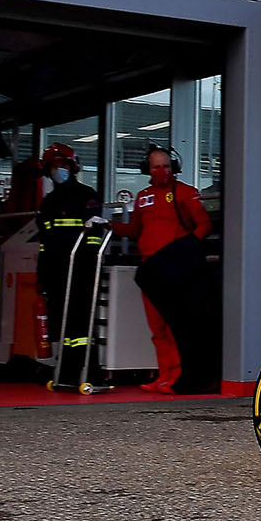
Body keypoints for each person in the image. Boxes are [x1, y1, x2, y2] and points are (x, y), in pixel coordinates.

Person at [108, 145, 215, 393]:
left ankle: (179, 376)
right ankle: (164, 374)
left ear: (174, 168)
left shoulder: (187, 193)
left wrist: (184, 251)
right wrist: (109, 225)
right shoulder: (142, 196)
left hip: (176, 270)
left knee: (175, 324)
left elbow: (203, 225)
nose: (162, 171)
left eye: (166, 166)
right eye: (156, 167)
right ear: (148, 169)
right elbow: (134, 230)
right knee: (156, 326)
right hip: (151, 270)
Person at [34, 145, 103, 375]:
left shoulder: (87, 195)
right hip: (56, 269)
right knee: (59, 321)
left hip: (80, 267)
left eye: (63, 165)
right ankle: (66, 368)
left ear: (72, 167)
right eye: (54, 166)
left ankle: (87, 368)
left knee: (80, 319)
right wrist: (41, 276)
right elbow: (44, 243)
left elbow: (94, 235)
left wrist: (90, 264)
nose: (59, 170)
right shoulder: (48, 203)